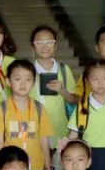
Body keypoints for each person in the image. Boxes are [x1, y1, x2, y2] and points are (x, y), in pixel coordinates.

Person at [0, 60, 54, 170]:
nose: (23, 84)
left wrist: (48, 168)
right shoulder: (2, 108)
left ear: (34, 83)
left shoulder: (39, 108)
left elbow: (44, 140)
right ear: (8, 81)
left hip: (35, 167)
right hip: (11, 169)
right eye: (18, 79)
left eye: (28, 79)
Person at [27, 25, 78, 153]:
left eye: (49, 42)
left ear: (55, 45)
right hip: (32, 130)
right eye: (39, 42)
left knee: (58, 163)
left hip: (60, 131)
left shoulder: (64, 70)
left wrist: (62, 91)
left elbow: (74, 101)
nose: (45, 46)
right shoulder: (26, 71)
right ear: (32, 46)